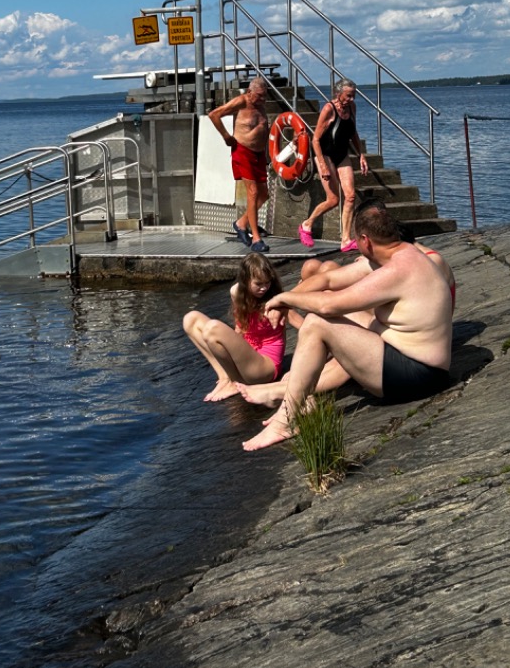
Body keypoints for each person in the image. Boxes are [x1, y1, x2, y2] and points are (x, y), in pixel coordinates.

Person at [242, 202, 452, 451]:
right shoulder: (400, 253)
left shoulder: (399, 268)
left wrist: (283, 299)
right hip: (406, 355)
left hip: (418, 374)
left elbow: (329, 306)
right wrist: (283, 303)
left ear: (365, 240)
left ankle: (285, 420)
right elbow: (330, 279)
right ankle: (296, 396)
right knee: (329, 312)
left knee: (317, 323)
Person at [183, 253, 302, 403]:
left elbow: (305, 328)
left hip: (264, 367)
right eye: (259, 284)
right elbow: (240, 328)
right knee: (191, 319)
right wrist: (228, 348)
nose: (264, 288)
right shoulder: (237, 293)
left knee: (213, 328)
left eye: (267, 282)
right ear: (246, 280)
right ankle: (225, 377)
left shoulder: (278, 302)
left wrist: (298, 368)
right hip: (247, 355)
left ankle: (233, 382)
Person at [298, 78, 368, 253]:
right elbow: (315, 140)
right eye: (349, 96)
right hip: (325, 154)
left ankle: (345, 240)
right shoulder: (329, 109)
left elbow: (353, 133)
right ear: (338, 94)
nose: (352, 99)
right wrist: (322, 165)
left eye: (354, 96)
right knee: (333, 200)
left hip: (341, 154)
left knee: (350, 196)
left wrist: (361, 155)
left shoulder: (352, 108)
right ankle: (307, 224)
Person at [208, 75, 271, 252]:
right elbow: (214, 115)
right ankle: (256, 238)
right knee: (253, 192)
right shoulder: (241, 102)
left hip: (259, 154)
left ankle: (241, 223)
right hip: (243, 151)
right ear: (250, 92)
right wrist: (227, 136)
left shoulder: (261, 106)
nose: (262, 99)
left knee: (264, 194)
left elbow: (263, 130)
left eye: (265, 96)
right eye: (259, 95)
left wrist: (266, 154)